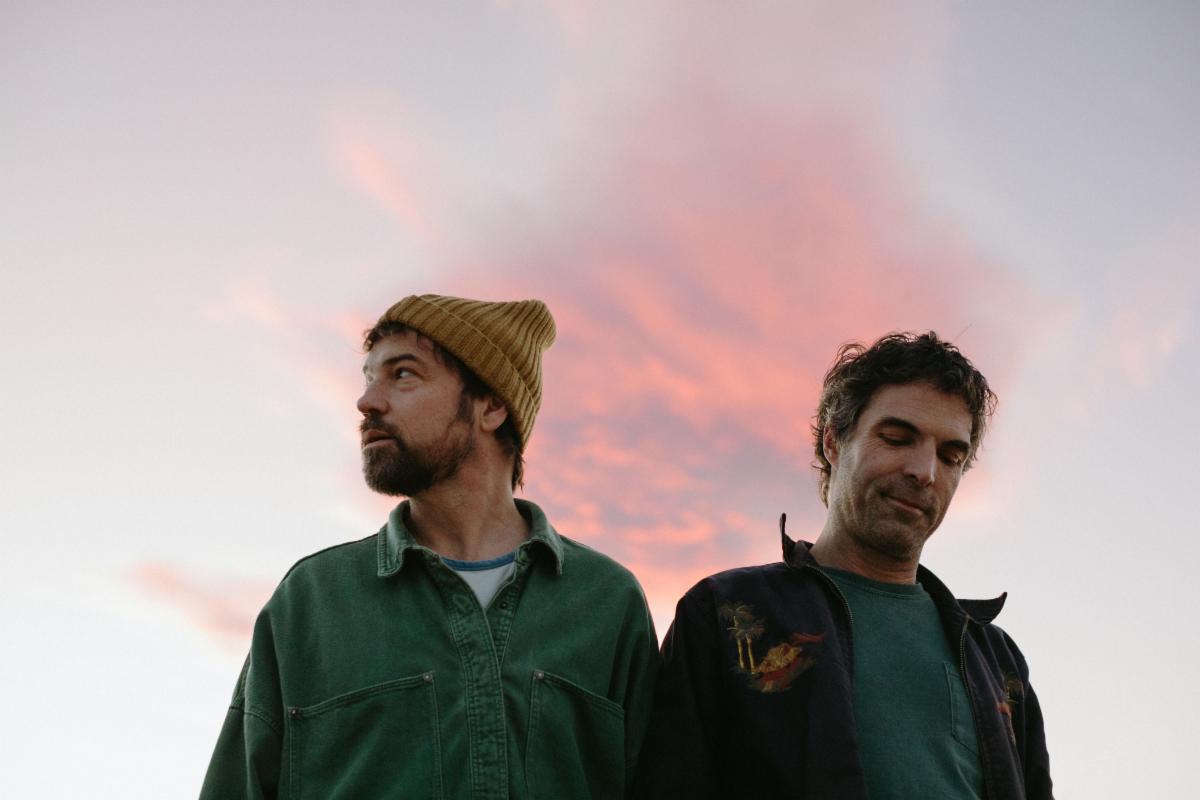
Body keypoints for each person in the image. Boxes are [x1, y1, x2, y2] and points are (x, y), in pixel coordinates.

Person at [201, 293, 658, 800]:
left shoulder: (606, 601)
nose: (367, 402)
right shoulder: (312, 601)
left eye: (402, 374)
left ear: (491, 405)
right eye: (369, 378)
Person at [634, 332, 1053, 799]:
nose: (925, 471)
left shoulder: (997, 659)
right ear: (833, 441)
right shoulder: (727, 612)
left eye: (950, 456)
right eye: (897, 438)